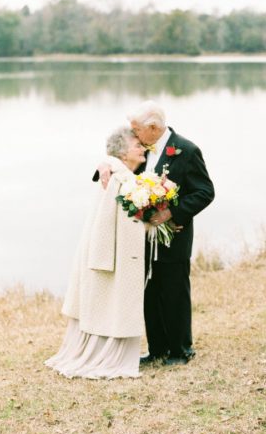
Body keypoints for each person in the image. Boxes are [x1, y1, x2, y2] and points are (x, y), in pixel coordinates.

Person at [98, 100, 215, 366]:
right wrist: (104, 164)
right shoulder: (141, 149)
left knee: (174, 292)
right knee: (150, 293)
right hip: (142, 239)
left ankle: (180, 350)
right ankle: (157, 348)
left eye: (137, 129)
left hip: (174, 234)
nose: (133, 134)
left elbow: (205, 192)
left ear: (153, 127)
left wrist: (171, 213)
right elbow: (118, 159)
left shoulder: (186, 150)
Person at [45, 127, 146, 378]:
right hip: (113, 253)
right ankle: (109, 353)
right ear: (123, 153)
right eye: (137, 145)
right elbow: (106, 220)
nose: (142, 148)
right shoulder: (117, 176)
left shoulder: (121, 174)